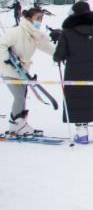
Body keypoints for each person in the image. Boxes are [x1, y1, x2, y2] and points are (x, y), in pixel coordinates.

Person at [53, 2, 93, 145]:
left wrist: (58, 57)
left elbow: (60, 53)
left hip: (74, 70)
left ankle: (82, 134)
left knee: (77, 98)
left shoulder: (67, 30)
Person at [0, 7, 55, 135]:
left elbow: (47, 47)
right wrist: (6, 59)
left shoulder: (34, 34)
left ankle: (20, 123)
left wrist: (60, 54)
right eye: (38, 18)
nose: (40, 21)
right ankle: (15, 125)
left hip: (21, 70)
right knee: (19, 97)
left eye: (41, 18)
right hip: (8, 68)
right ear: (29, 18)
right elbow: (1, 44)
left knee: (22, 97)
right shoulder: (17, 31)